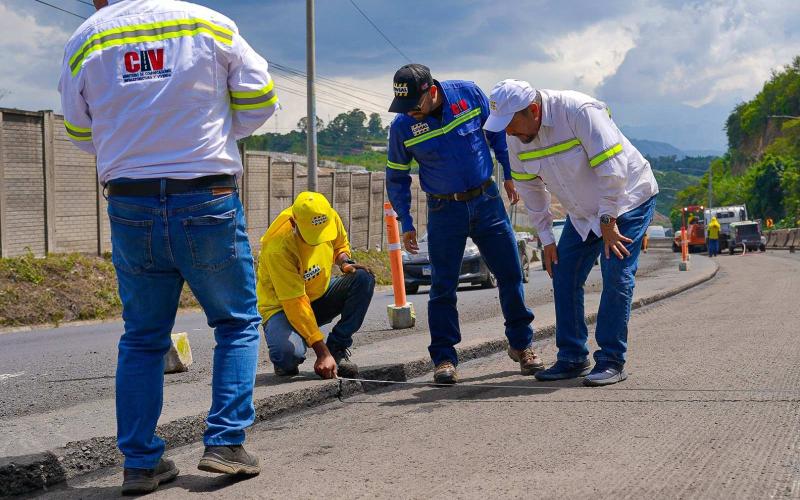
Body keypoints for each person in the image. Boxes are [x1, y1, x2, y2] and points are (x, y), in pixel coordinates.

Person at [59, 0, 278, 494]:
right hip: (207, 194)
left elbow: (78, 131)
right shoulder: (206, 22)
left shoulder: (87, 38)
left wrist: (131, 144)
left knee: (142, 336)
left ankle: (140, 463)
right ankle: (224, 444)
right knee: (237, 322)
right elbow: (260, 97)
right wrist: (216, 130)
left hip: (130, 203)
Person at [483, 79, 658, 387]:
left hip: (626, 199)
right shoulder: (515, 136)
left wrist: (608, 222)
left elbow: (612, 169)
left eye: (510, 124)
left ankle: (611, 359)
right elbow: (530, 188)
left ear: (534, 110)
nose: (508, 132)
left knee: (615, 272)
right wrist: (547, 239)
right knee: (563, 273)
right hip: (581, 213)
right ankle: (573, 356)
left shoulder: (578, 111)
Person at [386, 64, 539, 385]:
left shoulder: (467, 95)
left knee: (511, 272)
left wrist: (509, 173)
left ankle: (522, 345)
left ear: (432, 92)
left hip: (488, 201)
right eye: (404, 106)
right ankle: (444, 358)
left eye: (415, 103)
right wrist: (407, 221)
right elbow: (397, 177)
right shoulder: (402, 127)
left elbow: (497, 134)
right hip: (444, 210)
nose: (409, 112)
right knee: (442, 287)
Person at [256, 192, 375, 380]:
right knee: (288, 355)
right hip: (283, 308)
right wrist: (321, 353)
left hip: (319, 296)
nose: (319, 240)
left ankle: (337, 347)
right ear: (294, 224)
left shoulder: (327, 215)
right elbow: (295, 303)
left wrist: (345, 262)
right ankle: (291, 352)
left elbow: (339, 245)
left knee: (362, 278)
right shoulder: (278, 247)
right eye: (312, 237)